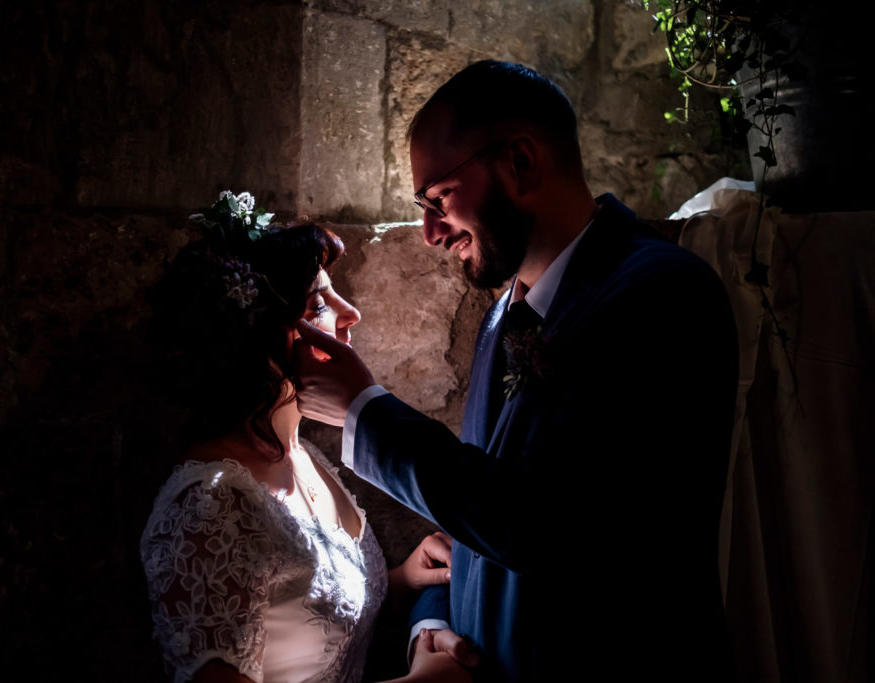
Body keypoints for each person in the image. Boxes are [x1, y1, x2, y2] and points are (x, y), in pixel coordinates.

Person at [293, 61, 739, 681]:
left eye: (440, 197)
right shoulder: (506, 312)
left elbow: (543, 525)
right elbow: (476, 518)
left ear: (521, 163)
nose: (428, 232)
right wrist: (433, 622)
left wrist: (361, 409)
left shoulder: (662, 296)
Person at [139, 193, 477, 683]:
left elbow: (303, 618)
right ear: (262, 337)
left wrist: (402, 580)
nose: (350, 314)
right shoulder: (209, 509)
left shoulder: (303, 454)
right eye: (319, 302)